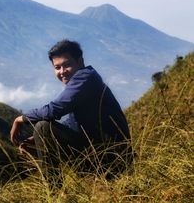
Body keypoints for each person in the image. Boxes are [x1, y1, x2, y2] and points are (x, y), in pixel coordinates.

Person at [10, 39, 132, 178]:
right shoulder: (84, 80)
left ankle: (54, 193)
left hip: (113, 160)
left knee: (43, 127)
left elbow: (54, 110)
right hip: (105, 155)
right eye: (57, 67)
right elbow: (73, 122)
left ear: (80, 61)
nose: (62, 72)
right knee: (43, 130)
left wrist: (20, 119)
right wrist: (38, 138)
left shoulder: (85, 77)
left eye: (67, 65)